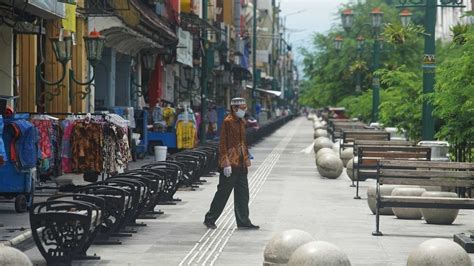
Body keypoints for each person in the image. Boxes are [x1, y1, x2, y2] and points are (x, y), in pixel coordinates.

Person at [203, 97, 259, 230]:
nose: (244, 111)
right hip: (230, 164)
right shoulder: (228, 122)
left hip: (241, 163)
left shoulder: (241, 121)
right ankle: (210, 219)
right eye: (242, 109)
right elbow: (222, 144)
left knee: (243, 194)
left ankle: (243, 221)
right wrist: (225, 163)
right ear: (234, 108)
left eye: (245, 108)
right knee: (223, 194)